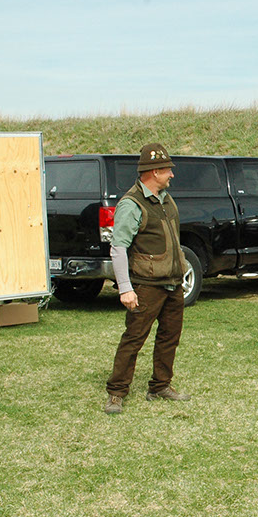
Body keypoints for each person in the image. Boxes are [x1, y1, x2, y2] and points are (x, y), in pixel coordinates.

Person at [104, 142, 191, 414]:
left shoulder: (166, 199)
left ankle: (160, 386)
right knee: (134, 339)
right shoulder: (131, 204)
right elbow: (118, 248)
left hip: (173, 283)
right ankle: (116, 393)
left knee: (169, 337)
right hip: (146, 286)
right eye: (167, 170)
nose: (172, 174)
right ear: (154, 172)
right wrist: (125, 288)